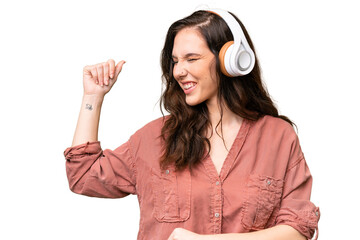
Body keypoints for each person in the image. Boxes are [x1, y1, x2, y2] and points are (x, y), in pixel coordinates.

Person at [64, 9, 320, 240]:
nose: (178, 71)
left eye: (191, 59)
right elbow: (83, 176)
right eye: (175, 61)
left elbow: (297, 228)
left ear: (229, 61)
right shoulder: (155, 138)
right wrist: (92, 97)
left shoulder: (278, 137)